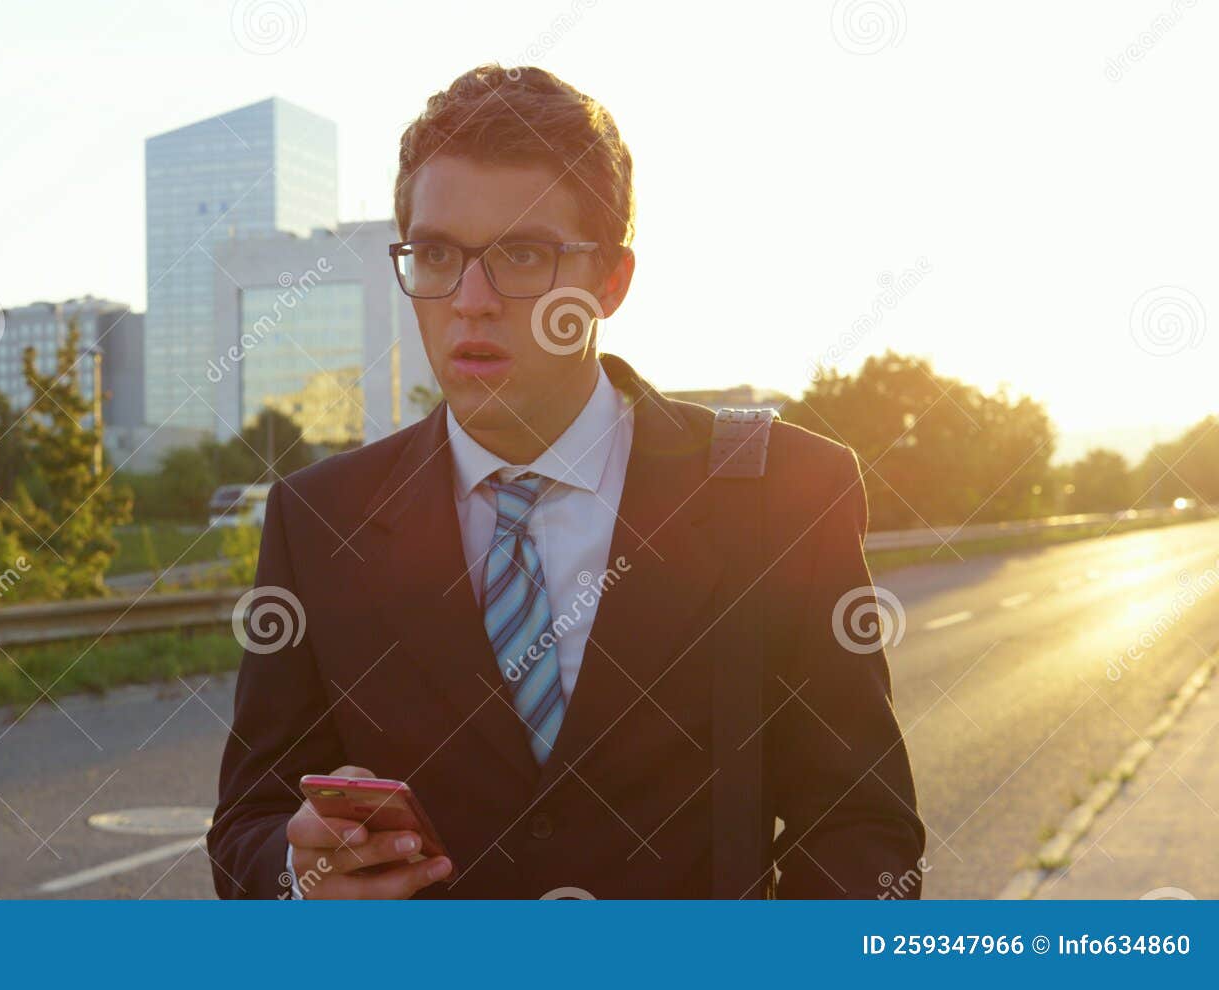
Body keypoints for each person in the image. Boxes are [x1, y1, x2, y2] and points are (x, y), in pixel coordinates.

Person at [209, 63, 924, 899]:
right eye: (437, 254)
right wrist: (300, 877)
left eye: (522, 254)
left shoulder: (784, 494)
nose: (470, 300)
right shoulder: (320, 516)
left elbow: (864, 831)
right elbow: (247, 825)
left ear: (611, 282)